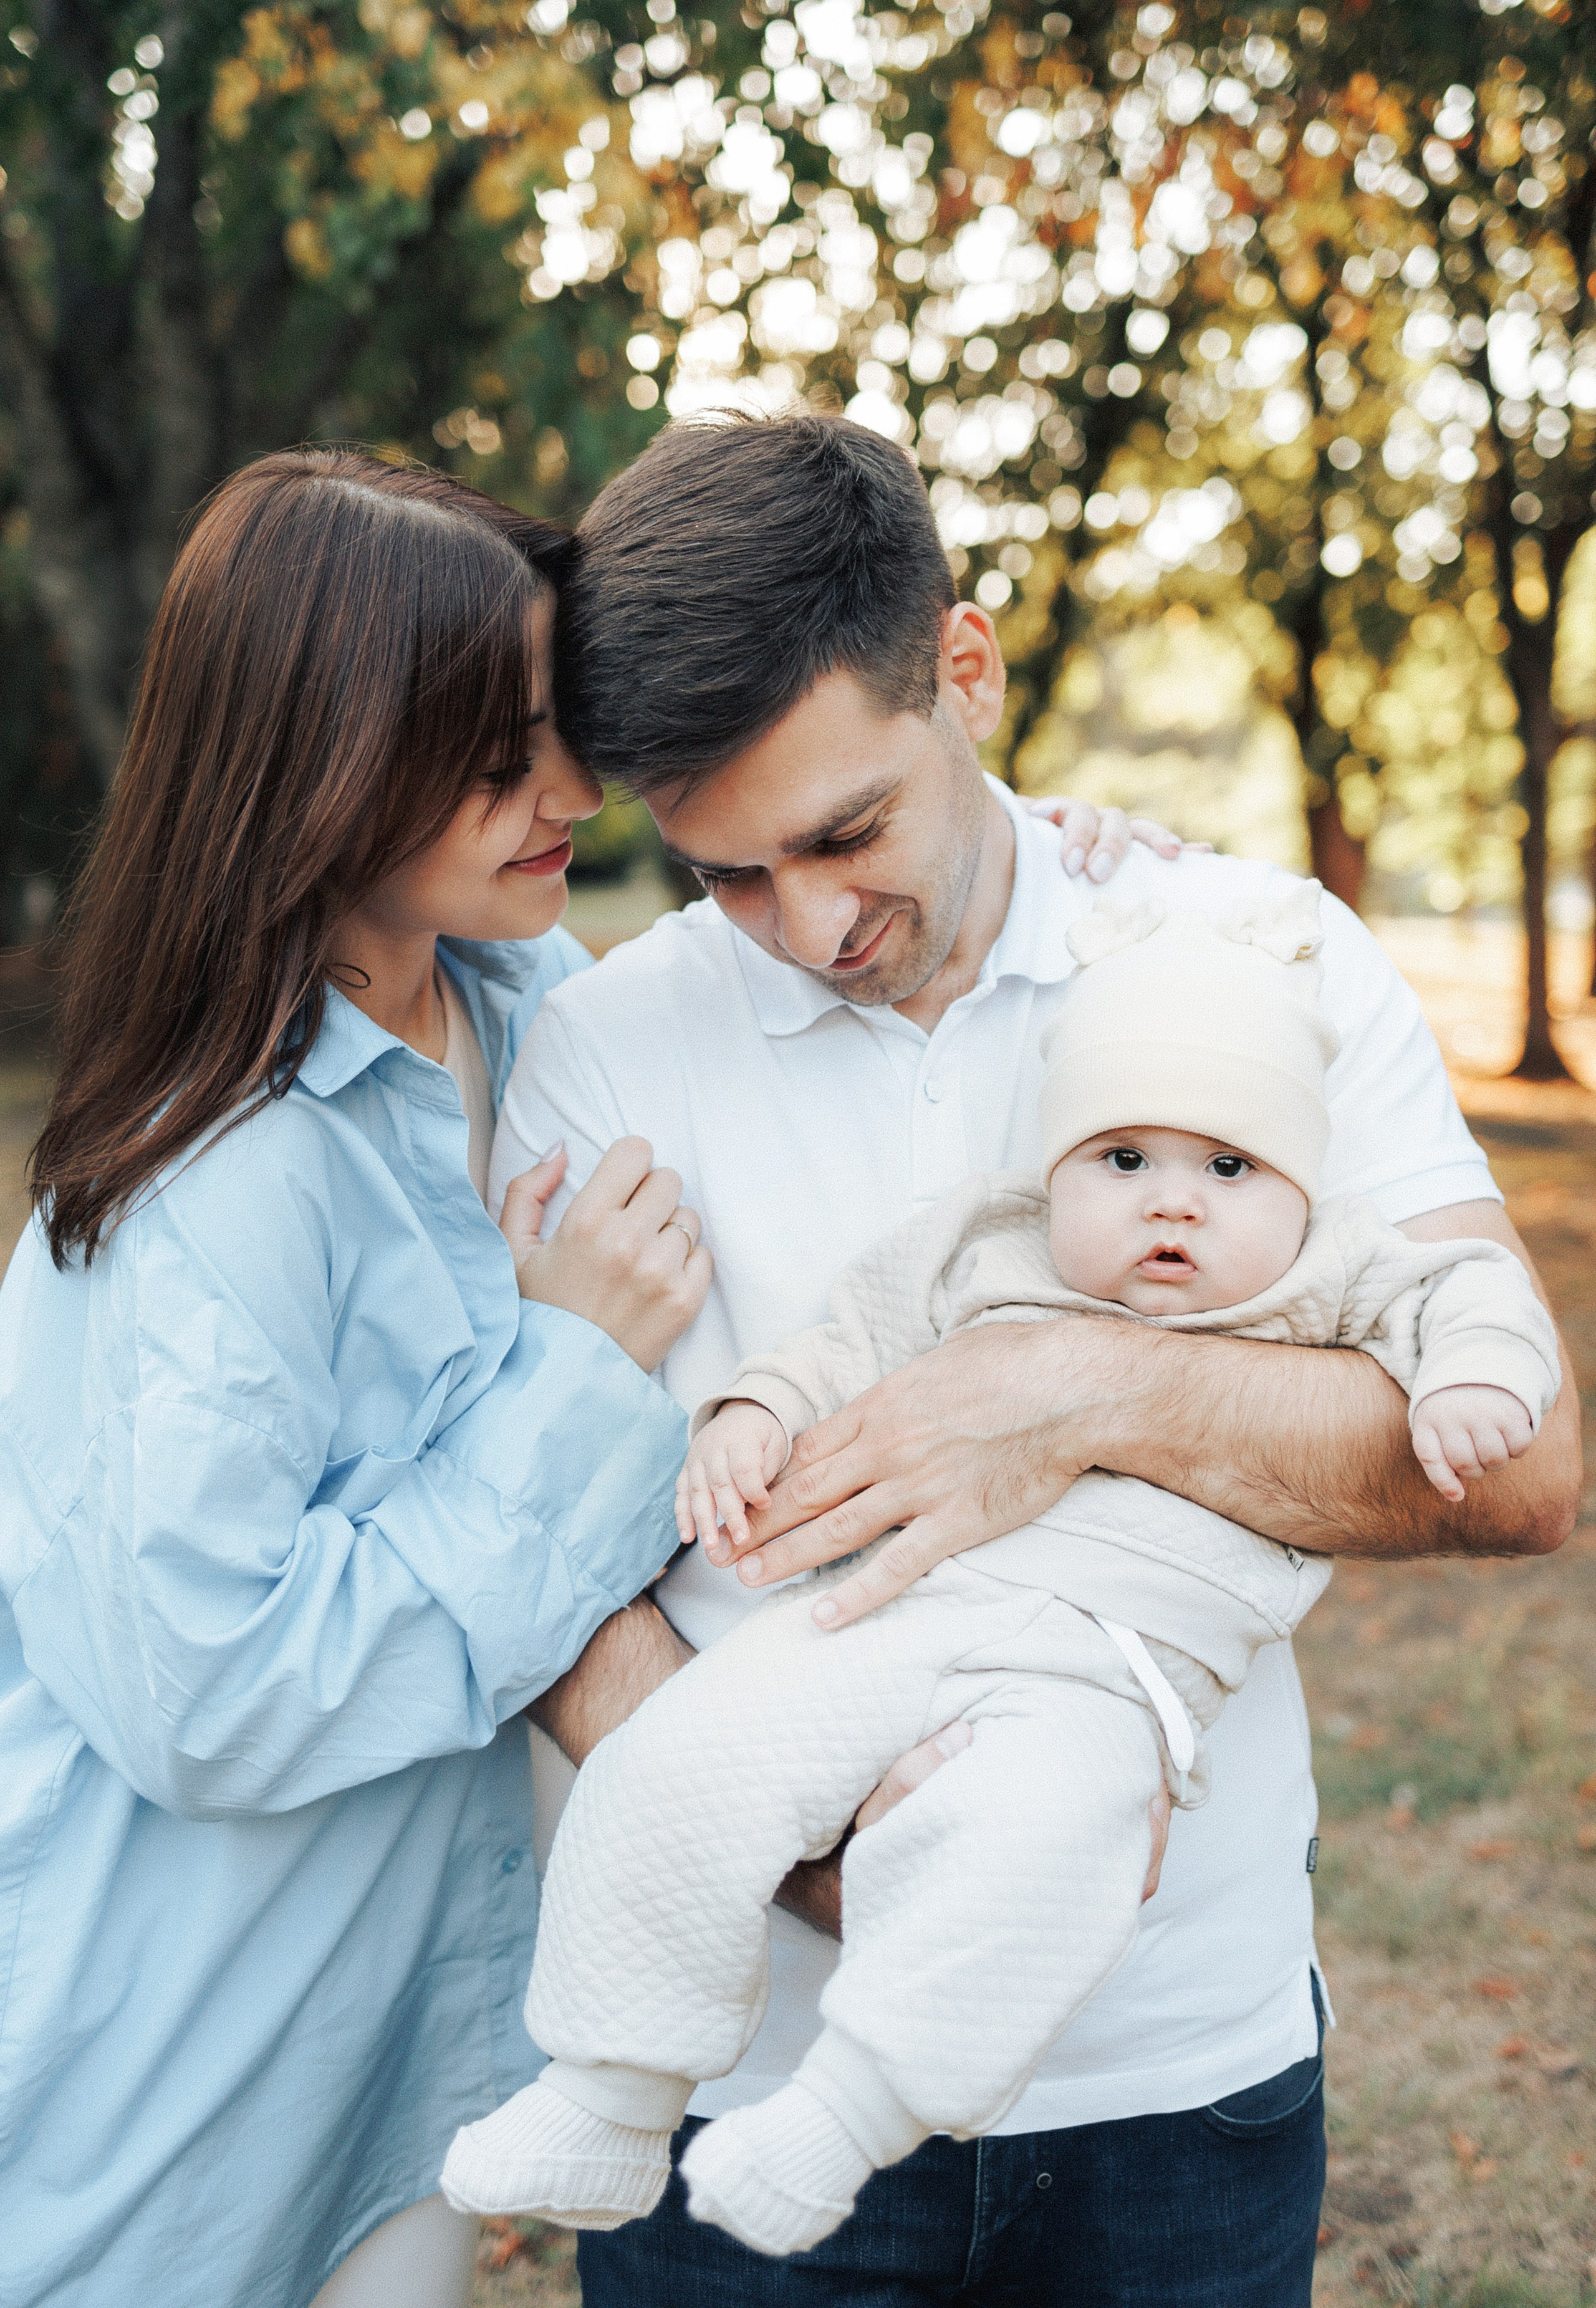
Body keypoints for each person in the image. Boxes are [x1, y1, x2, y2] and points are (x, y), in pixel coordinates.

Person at [486, 411, 1581, 2307]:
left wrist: (1076, 1395)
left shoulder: (1258, 961)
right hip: (740, 2068)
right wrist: (841, 1878)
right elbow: (543, 1553)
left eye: (848, 833)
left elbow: (1526, 1472)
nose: (810, 927)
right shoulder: (601, 1050)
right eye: (727, 875)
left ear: (967, 672)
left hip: (1177, 2072)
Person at [444, 880, 1559, 2259]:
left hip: (1100, 1670)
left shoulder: (1325, 1272)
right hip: (881, 1610)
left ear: (1293, 1183)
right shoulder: (990, 1241)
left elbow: (1470, 1299)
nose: (1172, 1205)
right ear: (1056, 1163)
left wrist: (1469, 1378)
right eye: (1121, 1161)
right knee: (680, 1763)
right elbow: (839, 1341)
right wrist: (749, 1417)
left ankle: (844, 2114)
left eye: (1226, 1171)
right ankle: (608, 2088)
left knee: (1028, 1852)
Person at [0, 449, 711, 2308]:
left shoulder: (517, 1003)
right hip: (181, 2068)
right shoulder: (220, 1174)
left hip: (416, 2024)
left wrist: (1061, 866)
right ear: (324, 755)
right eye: (503, 753)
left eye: (566, 729)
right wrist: (563, 1379)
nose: (573, 791)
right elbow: (211, 1689)